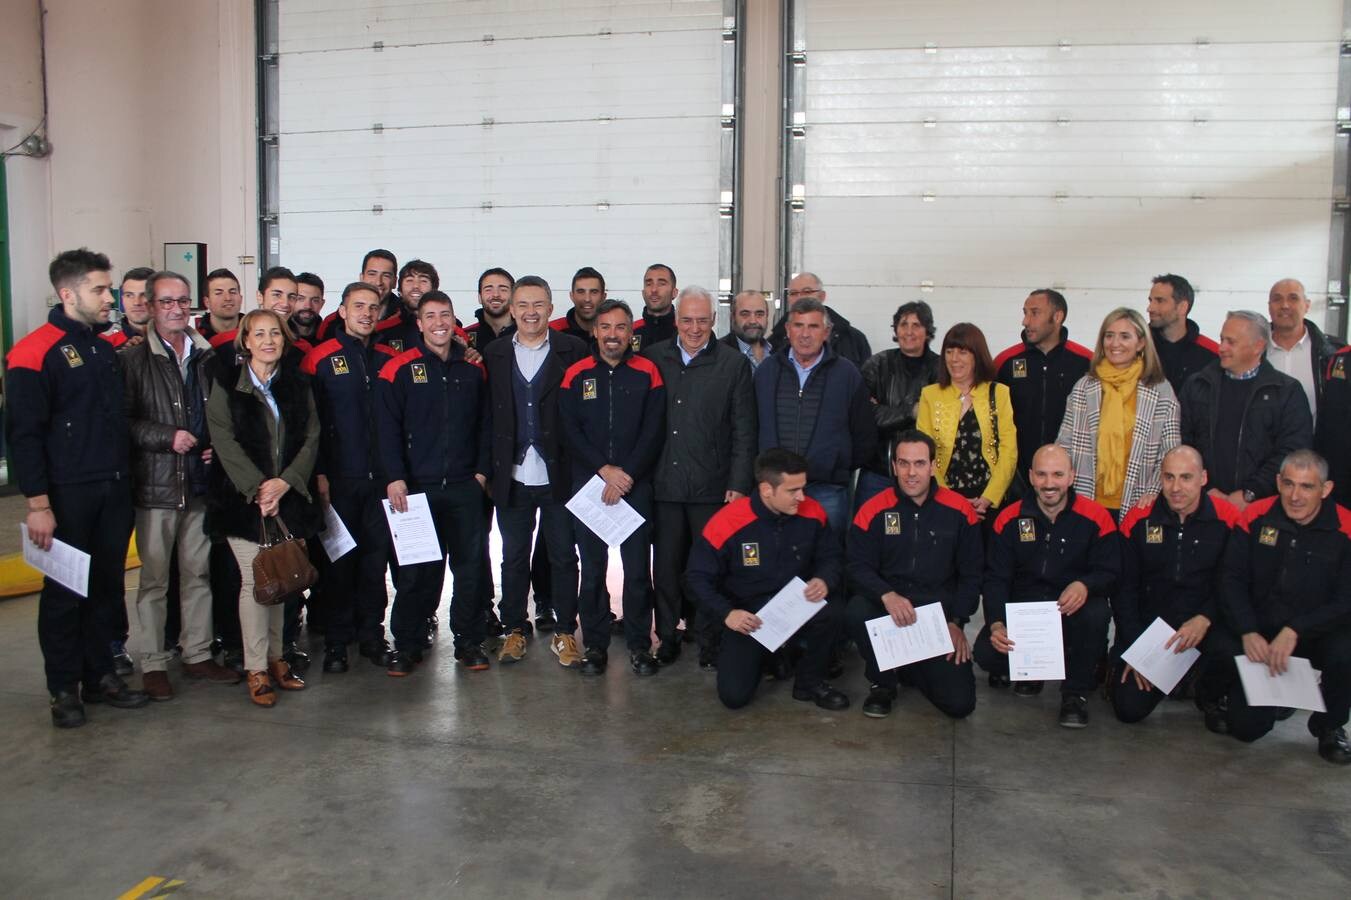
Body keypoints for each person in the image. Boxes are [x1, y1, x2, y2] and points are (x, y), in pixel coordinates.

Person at [5, 248, 150, 727]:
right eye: (101, 289)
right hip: (66, 494)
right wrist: (39, 503)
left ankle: (101, 675)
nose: (110, 297)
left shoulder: (102, 348)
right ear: (68, 294)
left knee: (107, 588)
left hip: (112, 488)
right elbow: (23, 434)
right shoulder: (32, 352)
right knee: (66, 592)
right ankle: (63, 689)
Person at [122, 270, 240, 699]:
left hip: (199, 485)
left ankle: (197, 654)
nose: (175, 309)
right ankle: (153, 662)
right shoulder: (133, 360)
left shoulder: (207, 355)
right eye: (166, 302)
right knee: (154, 580)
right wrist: (166, 437)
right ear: (152, 307)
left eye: (182, 302)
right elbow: (124, 423)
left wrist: (211, 447)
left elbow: (218, 415)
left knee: (198, 575)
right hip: (156, 487)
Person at [1202, 450, 1351, 764]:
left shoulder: (1345, 528)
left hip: (1314, 633)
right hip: (1261, 634)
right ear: (1278, 483)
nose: (1295, 496)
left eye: (1307, 487)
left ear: (1325, 490)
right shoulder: (1255, 516)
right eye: (1289, 484)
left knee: (1345, 653)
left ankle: (1330, 724)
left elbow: (1345, 601)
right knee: (1245, 729)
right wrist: (1248, 631)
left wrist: (1297, 630)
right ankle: (1225, 695)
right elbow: (1230, 579)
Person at [205, 308, 319, 707]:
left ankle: (278, 658)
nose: (268, 340)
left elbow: (312, 436)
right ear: (246, 341)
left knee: (282, 578)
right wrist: (258, 489)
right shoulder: (227, 384)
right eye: (260, 334)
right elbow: (223, 439)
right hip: (242, 501)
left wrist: (285, 481)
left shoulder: (298, 384)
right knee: (256, 583)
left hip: (288, 497)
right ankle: (256, 667)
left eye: (276, 333)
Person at [376, 291, 492, 675]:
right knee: (416, 573)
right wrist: (394, 478)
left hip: (464, 487)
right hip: (415, 489)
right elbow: (386, 428)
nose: (439, 322)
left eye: (445, 315)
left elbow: (486, 425)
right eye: (431, 316)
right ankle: (407, 644)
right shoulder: (400, 368)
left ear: (454, 320)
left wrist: (479, 474)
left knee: (470, 568)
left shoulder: (473, 368)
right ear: (420, 323)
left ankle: (469, 641)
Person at [686, 448, 848, 711]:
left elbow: (832, 556)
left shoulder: (813, 512)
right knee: (734, 697)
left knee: (835, 610)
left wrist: (823, 579)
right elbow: (695, 578)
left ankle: (810, 683)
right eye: (793, 490)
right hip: (749, 616)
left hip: (796, 605)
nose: (802, 497)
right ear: (766, 490)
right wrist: (728, 614)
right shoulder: (726, 522)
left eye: (803, 488)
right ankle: (773, 658)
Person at [648, 286, 757, 668]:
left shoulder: (733, 364)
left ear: (714, 321)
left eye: (702, 320)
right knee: (665, 568)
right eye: (687, 320)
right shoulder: (653, 358)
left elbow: (745, 430)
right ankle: (667, 637)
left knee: (710, 570)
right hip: (664, 486)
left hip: (713, 488)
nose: (694, 328)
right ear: (676, 321)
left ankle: (710, 642)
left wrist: (740, 484)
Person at [484, 276, 588, 666]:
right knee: (513, 556)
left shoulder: (573, 350)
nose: (530, 312)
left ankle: (564, 631)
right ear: (511, 310)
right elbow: (485, 417)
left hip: (558, 474)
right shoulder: (494, 354)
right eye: (523, 304)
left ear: (550, 309)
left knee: (563, 556)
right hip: (511, 474)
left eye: (538, 304)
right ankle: (514, 628)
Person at [975, 445, 1118, 728]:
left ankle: (1075, 693)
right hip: (1026, 617)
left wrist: (1085, 584)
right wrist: (996, 624)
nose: (1049, 483)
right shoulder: (1009, 518)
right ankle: (1032, 671)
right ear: (1030, 476)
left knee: (1097, 613)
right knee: (986, 654)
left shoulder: (1096, 518)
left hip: (1070, 612)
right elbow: (996, 579)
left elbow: (1112, 570)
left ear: (1072, 476)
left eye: (1057, 474)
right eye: (1041, 474)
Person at [559, 299, 666, 676]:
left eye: (620, 327)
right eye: (605, 327)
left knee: (638, 572)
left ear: (631, 332)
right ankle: (596, 646)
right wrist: (604, 471)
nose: (612, 335)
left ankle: (639, 645)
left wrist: (626, 476)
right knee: (592, 571)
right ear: (594, 331)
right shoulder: (575, 374)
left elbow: (654, 432)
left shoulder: (648, 373)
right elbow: (569, 431)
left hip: (634, 488)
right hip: (589, 488)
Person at [845, 430, 982, 719]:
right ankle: (882, 682)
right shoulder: (872, 510)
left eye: (919, 463)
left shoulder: (959, 510)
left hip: (937, 618)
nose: (911, 473)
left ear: (933, 466)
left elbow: (972, 574)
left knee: (959, 705)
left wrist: (957, 621)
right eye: (903, 463)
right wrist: (887, 595)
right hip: (888, 609)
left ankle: (910, 664)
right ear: (893, 466)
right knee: (856, 609)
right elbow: (856, 566)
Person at [300, 281, 399, 672]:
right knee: (339, 563)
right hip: (338, 481)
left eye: (373, 307)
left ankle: (372, 636)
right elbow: (311, 424)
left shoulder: (389, 359)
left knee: (376, 563)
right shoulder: (320, 359)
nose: (366, 314)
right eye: (358, 306)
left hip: (380, 484)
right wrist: (320, 473)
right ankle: (338, 642)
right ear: (341, 311)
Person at [1112, 446, 1239, 723]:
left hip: (1205, 626)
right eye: (1169, 478)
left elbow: (1233, 582)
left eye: (1186, 477)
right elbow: (1125, 590)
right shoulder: (1139, 519)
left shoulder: (1228, 519)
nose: (1176, 487)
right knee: (1128, 710)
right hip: (1153, 631)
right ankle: (1175, 678)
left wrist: (1205, 618)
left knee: (1229, 651)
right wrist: (1138, 650)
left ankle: (1207, 692)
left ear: (1203, 478)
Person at [754, 297, 875, 536]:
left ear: (827, 332)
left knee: (827, 559)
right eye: (798, 325)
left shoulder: (847, 374)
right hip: (775, 489)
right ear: (787, 330)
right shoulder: (766, 371)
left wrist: (836, 464)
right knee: (775, 560)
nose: (805, 334)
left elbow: (864, 433)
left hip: (826, 490)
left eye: (813, 326)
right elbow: (752, 426)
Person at [1179, 311, 1312, 512]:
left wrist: (1251, 492)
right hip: (1203, 504)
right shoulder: (1197, 385)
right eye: (1222, 339)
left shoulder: (1286, 391)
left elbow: (1292, 451)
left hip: (1263, 509)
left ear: (1258, 346)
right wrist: (1205, 487)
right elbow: (1182, 440)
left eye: (1231, 342)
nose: (1221, 347)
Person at [1056, 308, 1180, 521]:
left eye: (1125, 336)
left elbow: (1170, 451)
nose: (1115, 344)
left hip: (1140, 503)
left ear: (1141, 343)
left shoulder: (1160, 389)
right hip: (1086, 502)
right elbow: (1064, 444)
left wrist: (1154, 491)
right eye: (1109, 335)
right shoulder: (1085, 387)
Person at [994, 289, 1092, 497]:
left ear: (1057, 317)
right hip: (1016, 481)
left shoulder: (1086, 362)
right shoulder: (1005, 362)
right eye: (1025, 312)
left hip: (1069, 480)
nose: (1025, 321)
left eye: (1034, 313)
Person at [916, 323, 1017, 522]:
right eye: (949, 351)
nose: (954, 359)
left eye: (962, 352)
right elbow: (924, 452)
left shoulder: (999, 393)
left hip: (987, 500)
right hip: (943, 498)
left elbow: (1008, 450)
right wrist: (948, 499)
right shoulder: (930, 395)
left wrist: (989, 498)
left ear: (977, 356)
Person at [858, 301, 941, 505]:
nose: (909, 331)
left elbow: (939, 418)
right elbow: (864, 414)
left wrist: (885, 411)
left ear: (928, 331)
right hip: (878, 471)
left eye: (916, 325)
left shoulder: (941, 368)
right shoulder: (876, 365)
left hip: (923, 474)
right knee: (868, 531)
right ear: (896, 329)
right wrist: (912, 412)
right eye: (903, 324)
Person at [1266, 278, 1343, 424]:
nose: (1285, 305)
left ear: (1307, 306)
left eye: (1293, 298)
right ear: (1269, 307)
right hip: (1261, 446)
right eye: (1277, 299)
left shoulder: (1332, 354)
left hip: (1315, 445)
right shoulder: (1253, 350)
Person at [768, 272, 872, 367]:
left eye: (807, 291)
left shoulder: (853, 339)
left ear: (822, 296)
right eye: (794, 293)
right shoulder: (775, 341)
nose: (800, 298)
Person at [1146, 273, 1217, 395]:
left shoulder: (1213, 355)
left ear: (1182, 307)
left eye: (1159, 301)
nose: (1150, 308)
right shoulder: (1137, 348)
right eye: (1151, 300)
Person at [464, 266, 516, 351]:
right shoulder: (466, 337)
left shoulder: (526, 334)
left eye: (503, 289)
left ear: (514, 297)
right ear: (479, 297)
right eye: (488, 289)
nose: (495, 294)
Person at [721, 289, 773, 371]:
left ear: (767, 316)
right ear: (732, 317)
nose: (753, 321)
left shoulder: (778, 352)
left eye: (759, 314)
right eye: (745, 314)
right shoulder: (718, 353)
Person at [552, 266, 605, 341]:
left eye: (594, 292)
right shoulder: (552, 331)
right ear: (572, 296)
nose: (587, 299)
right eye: (581, 292)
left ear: (603, 297)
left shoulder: (614, 333)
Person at [632, 263, 677, 352]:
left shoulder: (685, 331)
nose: (654, 290)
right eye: (649, 284)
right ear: (643, 292)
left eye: (661, 284)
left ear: (674, 292)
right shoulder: (631, 331)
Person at [195, 268, 243, 350]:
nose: (228, 298)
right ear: (206, 301)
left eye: (232, 292)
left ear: (241, 298)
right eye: (219, 293)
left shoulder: (252, 331)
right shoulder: (195, 336)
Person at [112, 266, 154, 345]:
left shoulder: (177, 338)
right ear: (122, 299)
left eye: (144, 295)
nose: (136, 302)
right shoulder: (104, 341)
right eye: (129, 295)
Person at [291, 271, 326, 344]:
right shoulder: (279, 337)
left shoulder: (331, 336)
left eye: (315, 300)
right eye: (300, 299)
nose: (308, 306)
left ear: (322, 304)